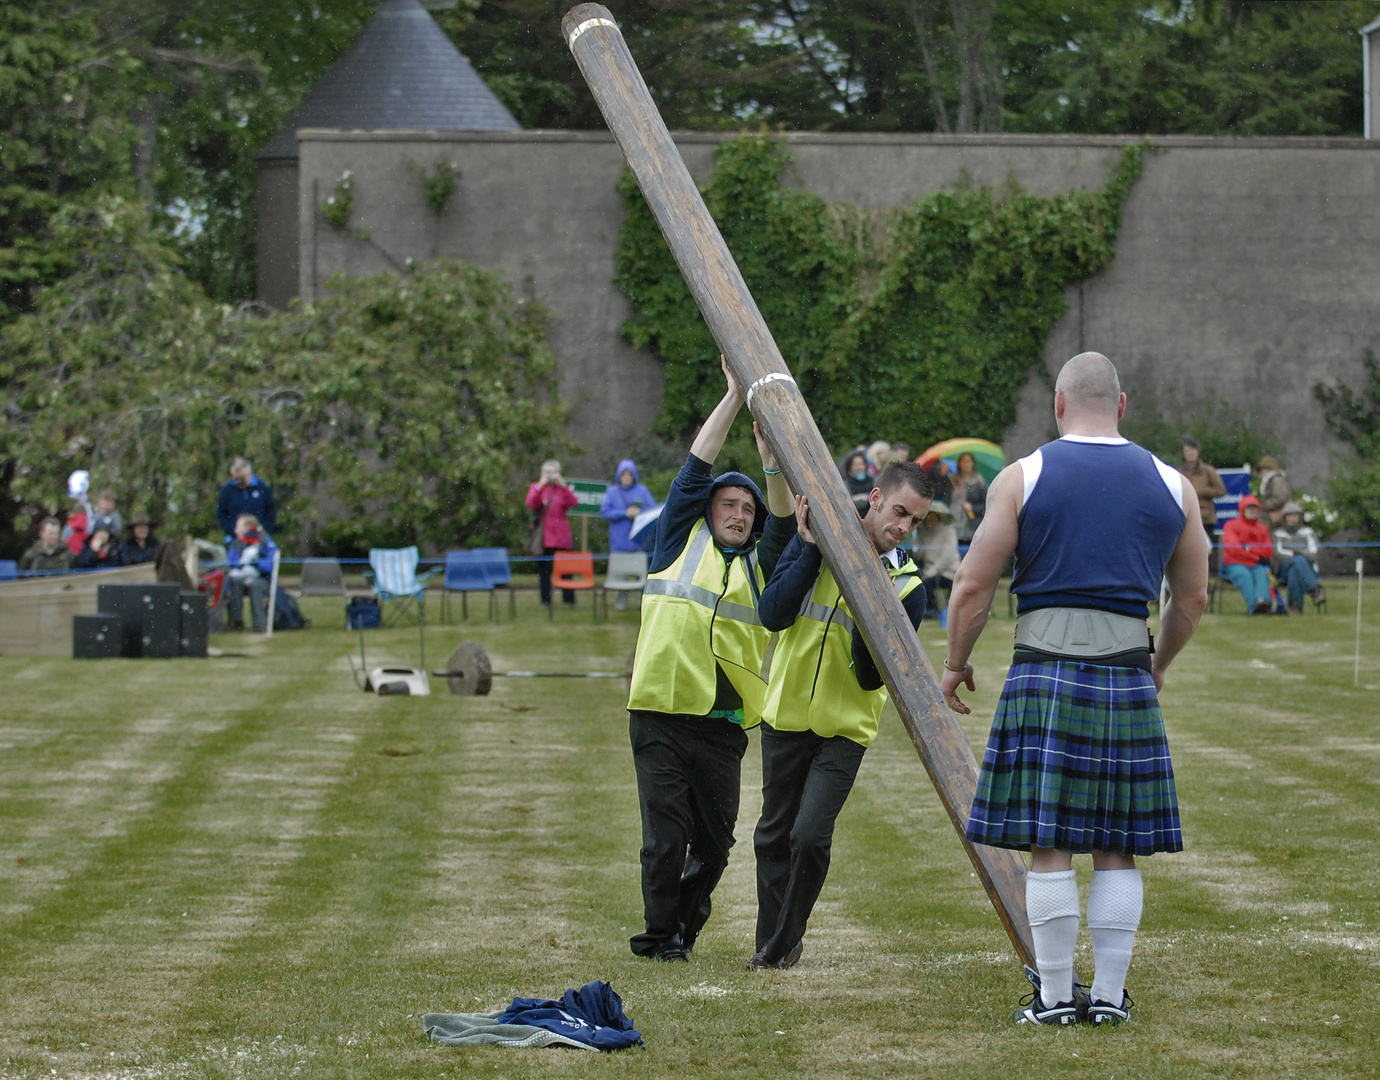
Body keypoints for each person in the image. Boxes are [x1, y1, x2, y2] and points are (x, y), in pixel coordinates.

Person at [941, 352, 1208, 1027]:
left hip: (1043, 670)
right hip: (1126, 671)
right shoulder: (1173, 484)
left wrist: (955, 661)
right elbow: (1193, 596)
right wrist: (1160, 662)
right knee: (1118, 842)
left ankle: (1056, 998)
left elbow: (973, 586)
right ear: (1121, 405)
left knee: (1050, 840)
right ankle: (1112, 998)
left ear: (1058, 405)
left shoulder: (1023, 476)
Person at [625, 356, 793, 964]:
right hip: (661, 717)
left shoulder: (760, 565)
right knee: (664, 840)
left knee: (716, 848)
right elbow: (694, 471)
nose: (738, 514)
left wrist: (770, 461)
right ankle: (659, 939)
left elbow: (780, 521)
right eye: (728, 505)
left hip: (722, 731)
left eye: (745, 510)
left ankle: (681, 930)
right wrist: (731, 398)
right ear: (707, 511)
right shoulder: (677, 539)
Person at [750, 461, 933, 970]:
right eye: (899, 512)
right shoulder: (816, 536)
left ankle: (783, 942)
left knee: (808, 836)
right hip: (784, 714)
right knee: (772, 835)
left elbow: (873, 677)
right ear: (875, 498)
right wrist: (810, 549)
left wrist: (870, 594)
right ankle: (773, 943)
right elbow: (772, 614)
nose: (903, 528)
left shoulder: (909, 587)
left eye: (915, 522)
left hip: (845, 730)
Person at [601, 459, 658, 610]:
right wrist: (624, 513)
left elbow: (653, 510)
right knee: (621, 574)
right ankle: (621, 602)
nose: (626, 477)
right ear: (619, 476)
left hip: (640, 541)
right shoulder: (612, 492)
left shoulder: (642, 490)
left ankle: (643, 602)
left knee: (643, 572)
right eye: (624, 474)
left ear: (634, 476)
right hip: (619, 542)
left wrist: (639, 513)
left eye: (629, 474)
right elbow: (605, 511)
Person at [526, 460, 580, 609]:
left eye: (553, 472)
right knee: (545, 572)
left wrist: (563, 485)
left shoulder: (561, 489)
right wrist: (540, 485)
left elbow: (574, 502)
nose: (550, 475)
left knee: (566, 571)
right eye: (547, 472)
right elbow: (531, 503)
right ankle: (546, 602)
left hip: (562, 537)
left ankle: (570, 600)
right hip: (545, 538)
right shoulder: (538, 488)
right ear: (542, 474)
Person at [1178, 435, 1226, 567]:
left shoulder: (1209, 471)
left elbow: (1221, 491)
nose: (1190, 454)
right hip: (1187, 518)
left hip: (1206, 518)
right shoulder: (1180, 472)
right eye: (1187, 451)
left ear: (1197, 451)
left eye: (1192, 450)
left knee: (1208, 551)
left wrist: (1203, 491)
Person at [1221, 495, 1274, 615]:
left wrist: (1248, 548)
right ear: (1242, 510)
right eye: (1249, 508)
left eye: (1255, 509)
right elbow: (1234, 549)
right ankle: (1253, 606)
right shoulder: (1231, 525)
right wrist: (1255, 556)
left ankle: (1263, 602)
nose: (1252, 511)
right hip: (1234, 564)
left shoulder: (1262, 529)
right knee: (1244, 575)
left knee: (1262, 573)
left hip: (1255, 565)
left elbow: (1268, 551)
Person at [226, 514, 277, 631]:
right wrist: (241, 562)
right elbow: (231, 564)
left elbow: (271, 566)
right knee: (236, 581)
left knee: (254, 584)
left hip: (263, 579)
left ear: (248, 527)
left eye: (238, 527)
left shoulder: (265, 543)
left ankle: (260, 624)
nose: (235, 530)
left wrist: (256, 563)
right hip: (240, 578)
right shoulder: (235, 545)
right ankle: (236, 622)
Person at [1272, 501, 1325, 613]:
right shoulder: (1278, 533)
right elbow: (1278, 553)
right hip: (1283, 569)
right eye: (1290, 516)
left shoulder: (1308, 532)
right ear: (1284, 517)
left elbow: (1315, 552)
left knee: (1295, 569)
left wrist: (1299, 555)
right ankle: (1313, 591)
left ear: (1300, 517)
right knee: (1298, 561)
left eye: (1295, 515)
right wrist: (1298, 554)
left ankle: (1295, 605)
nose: (1293, 519)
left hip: (1307, 568)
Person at [912, 499, 960, 619]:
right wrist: (916, 548)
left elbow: (947, 556)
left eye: (933, 517)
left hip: (949, 571)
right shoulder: (922, 532)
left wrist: (931, 572)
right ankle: (926, 610)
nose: (930, 520)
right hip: (929, 570)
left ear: (938, 517)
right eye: (927, 517)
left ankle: (932, 611)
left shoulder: (949, 531)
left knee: (927, 583)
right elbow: (920, 556)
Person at [217, 457, 277, 539]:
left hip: (260, 536)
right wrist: (233, 530)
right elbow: (221, 513)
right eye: (236, 478)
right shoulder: (227, 490)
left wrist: (264, 528)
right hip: (235, 537)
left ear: (249, 473)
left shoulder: (261, 487)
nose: (238, 481)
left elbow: (271, 510)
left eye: (241, 478)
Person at [948, 451, 987, 544]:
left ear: (973, 464)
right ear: (959, 464)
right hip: (953, 525)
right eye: (964, 461)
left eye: (969, 461)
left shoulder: (979, 482)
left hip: (972, 527)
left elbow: (985, 504)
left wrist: (972, 508)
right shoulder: (952, 479)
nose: (967, 464)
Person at [1257, 456, 1290, 528]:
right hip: (1270, 519)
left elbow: (1281, 498)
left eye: (1263, 468)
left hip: (1274, 519)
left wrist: (1263, 506)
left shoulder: (1276, 480)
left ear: (1268, 468)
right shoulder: (1270, 480)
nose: (1261, 471)